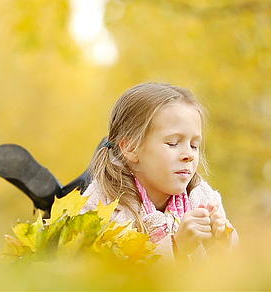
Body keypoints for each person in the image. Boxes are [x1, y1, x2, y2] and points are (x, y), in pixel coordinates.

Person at [81, 82, 238, 260]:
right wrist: (175, 246)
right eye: (173, 143)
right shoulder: (102, 206)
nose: (189, 155)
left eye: (194, 145)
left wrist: (223, 243)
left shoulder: (203, 198)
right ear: (131, 148)